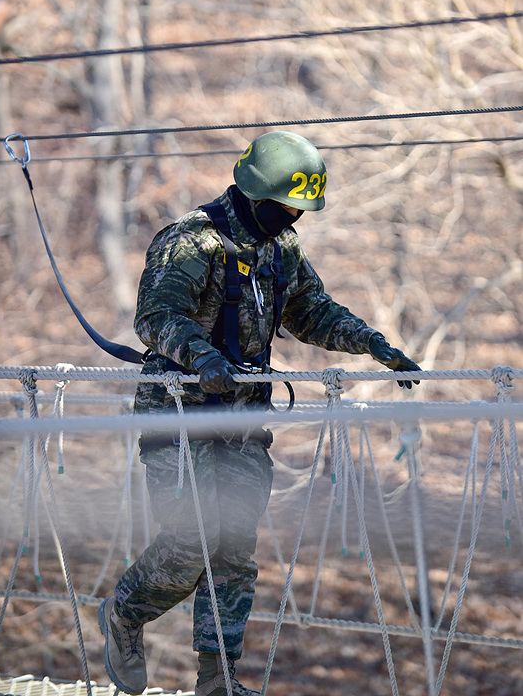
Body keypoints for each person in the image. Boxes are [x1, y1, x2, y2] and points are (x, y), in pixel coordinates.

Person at [98, 131, 421, 696]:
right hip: (181, 418)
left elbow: (309, 311)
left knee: (233, 552)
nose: (295, 215)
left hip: (244, 422)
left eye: (302, 208)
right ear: (257, 194)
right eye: (289, 204)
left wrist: (373, 343)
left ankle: (218, 679)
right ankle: (125, 614)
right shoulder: (191, 242)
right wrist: (202, 356)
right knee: (191, 541)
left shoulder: (280, 249)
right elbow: (156, 316)